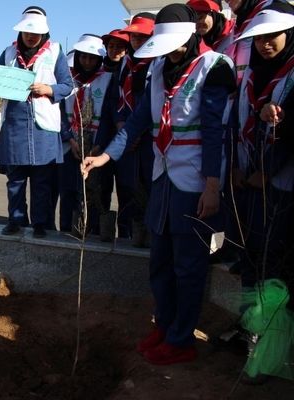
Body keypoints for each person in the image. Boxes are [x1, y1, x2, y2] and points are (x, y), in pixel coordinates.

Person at [82, 4, 235, 365]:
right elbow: (137, 121)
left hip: (194, 180)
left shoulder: (214, 67)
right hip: (162, 176)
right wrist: (105, 155)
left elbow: (215, 132)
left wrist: (212, 185)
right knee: (160, 261)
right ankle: (165, 327)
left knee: (188, 264)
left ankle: (182, 339)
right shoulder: (155, 67)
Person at [227, 5, 294, 382]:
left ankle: (273, 353)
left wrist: (267, 173)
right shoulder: (250, 75)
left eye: (275, 36)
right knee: (253, 260)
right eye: (260, 38)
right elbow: (235, 125)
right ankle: (252, 337)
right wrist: (238, 168)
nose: (266, 44)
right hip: (250, 184)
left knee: (276, 270)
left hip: (282, 189)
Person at [0, 6, 73, 238]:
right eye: (26, 32)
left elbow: (67, 85)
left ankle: (41, 223)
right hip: (14, 123)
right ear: (20, 32)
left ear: (44, 33)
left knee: (42, 181)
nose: (31, 36)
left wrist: (48, 89)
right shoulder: (8, 53)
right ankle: (16, 219)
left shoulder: (55, 52)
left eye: (35, 33)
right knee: (15, 180)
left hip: (43, 126)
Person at [59, 34, 113, 235]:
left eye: (92, 58)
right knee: (69, 190)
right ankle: (67, 229)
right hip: (69, 144)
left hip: (96, 146)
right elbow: (60, 114)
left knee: (97, 191)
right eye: (83, 57)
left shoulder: (108, 80)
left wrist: (97, 147)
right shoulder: (67, 81)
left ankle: (94, 230)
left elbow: (108, 118)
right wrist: (70, 140)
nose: (87, 62)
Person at [112, 12, 157, 246]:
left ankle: (152, 236)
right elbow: (115, 100)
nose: (137, 41)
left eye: (142, 37)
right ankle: (133, 234)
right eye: (134, 37)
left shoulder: (158, 62)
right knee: (129, 188)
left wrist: (139, 131)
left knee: (151, 188)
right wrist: (121, 123)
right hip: (128, 137)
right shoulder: (125, 65)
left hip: (151, 139)